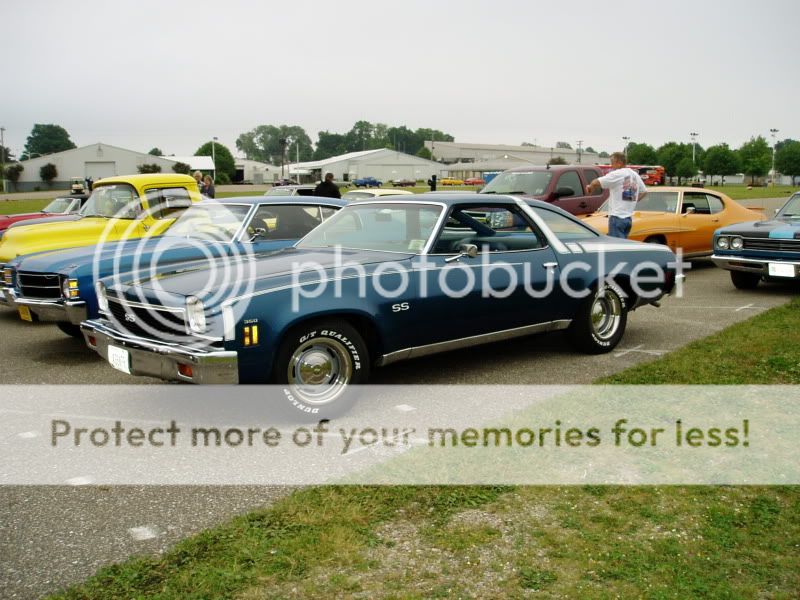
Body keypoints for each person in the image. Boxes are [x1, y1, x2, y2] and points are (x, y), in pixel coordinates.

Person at [586, 152, 647, 239]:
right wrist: (631, 202)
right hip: (628, 218)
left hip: (617, 217)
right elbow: (644, 191)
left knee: (616, 247)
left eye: (612, 162)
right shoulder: (633, 174)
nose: (611, 165)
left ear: (619, 163)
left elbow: (596, 182)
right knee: (622, 246)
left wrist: (590, 187)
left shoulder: (618, 174)